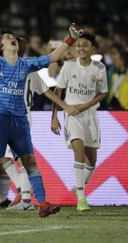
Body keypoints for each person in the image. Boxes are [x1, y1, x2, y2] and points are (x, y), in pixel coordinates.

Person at [0, 22, 82, 217]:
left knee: (30, 162)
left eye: (14, 37)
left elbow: (53, 57)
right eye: (7, 37)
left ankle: (42, 203)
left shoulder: (26, 65)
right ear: (0, 46)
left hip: (20, 121)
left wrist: (71, 38)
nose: (12, 38)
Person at [51, 32, 108, 211]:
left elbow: (102, 93)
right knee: (79, 152)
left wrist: (85, 106)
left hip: (89, 114)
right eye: (78, 45)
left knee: (91, 161)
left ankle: (78, 188)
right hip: (71, 114)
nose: (81, 48)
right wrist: (54, 117)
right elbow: (58, 91)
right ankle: (82, 200)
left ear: (92, 48)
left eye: (85, 45)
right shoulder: (68, 66)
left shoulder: (99, 68)